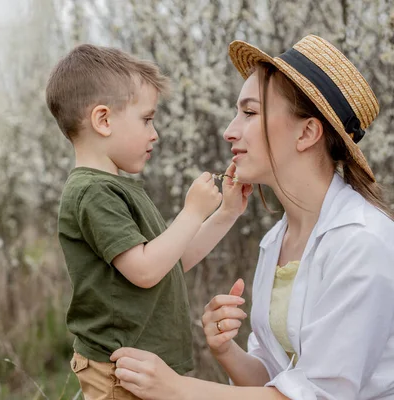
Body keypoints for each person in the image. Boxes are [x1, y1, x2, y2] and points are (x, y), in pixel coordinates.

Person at [110, 34, 394, 400]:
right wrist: (227, 352)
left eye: (249, 113)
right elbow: (276, 381)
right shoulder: (278, 239)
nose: (230, 130)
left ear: (307, 132)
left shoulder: (362, 243)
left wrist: (176, 388)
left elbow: (321, 396)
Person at [45, 44, 253, 399]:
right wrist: (191, 212)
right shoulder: (92, 192)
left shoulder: (114, 188)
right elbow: (145, 270)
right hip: (117, 372)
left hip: (138, 368)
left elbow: (170, 261)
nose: (154, 132)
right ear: (103, 120)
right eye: (146, 119)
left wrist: (225, 213)